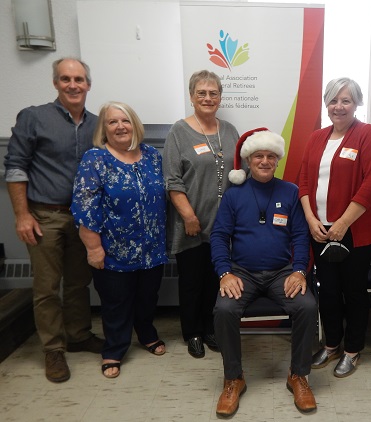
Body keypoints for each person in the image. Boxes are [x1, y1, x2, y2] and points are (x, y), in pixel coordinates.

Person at [4, 57, 104, 383]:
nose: (72, 85)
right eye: (65, 79)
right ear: (56, 83)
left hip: (83, 217)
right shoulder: (34, 118)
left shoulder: (97, 124)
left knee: (78, 281)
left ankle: (78, 335)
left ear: (88, 84)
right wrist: (21, 215)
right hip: (44, 215)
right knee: (47, 287)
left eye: (78, 79)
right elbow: (16, 168)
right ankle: (53, 349)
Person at [211, 128, 317, 417]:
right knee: (224, 309)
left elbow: (300, 236)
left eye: (271, 156)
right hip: (241, 272)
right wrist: (224, 273)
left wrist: (299, 271)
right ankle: (234, 378)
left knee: (307, 306)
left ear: (277, 160)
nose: (265, 161)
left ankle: (298, 375)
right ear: (248, 159)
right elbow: (219, 236)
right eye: (259, 155)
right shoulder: (234, 196)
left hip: (281, 272)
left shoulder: (290, 192)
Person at [71, 101, 168, 379]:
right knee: (116, 302)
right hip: (113, 250)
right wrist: (93, 248)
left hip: (152, 248)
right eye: (112, 122)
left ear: (134, 124)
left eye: (125, 121)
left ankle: (147, 333)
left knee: (148, 296)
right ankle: (114, 348)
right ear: (104, 128)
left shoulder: (152, 155)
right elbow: (84, 207)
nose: (120, 126)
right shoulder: (95, 159)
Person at [298, 77, 371, 378]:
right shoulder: (316, 138)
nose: (339, 106)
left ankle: (352, 350)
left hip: (355, 232)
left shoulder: (368, 134)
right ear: (326, 104)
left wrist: (343, 223)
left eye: (346, 100)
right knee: (329, 291)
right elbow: (304, 183)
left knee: (354, 291)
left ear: (357, 103)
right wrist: (311, 220)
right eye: (333, 100)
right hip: (320, 230)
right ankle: (332, 343)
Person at [163, 70, 239, 358]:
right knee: (192, 281)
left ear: (220, 97)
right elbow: (172, 180)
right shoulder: (178, 132)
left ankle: (209, 328)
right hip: (192, 223)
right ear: (192, 97)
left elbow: (238, 173)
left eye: (213, 93)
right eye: (201, 93)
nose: (208, 98)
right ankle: (192, 332)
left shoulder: (229, 131)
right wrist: (189, 217)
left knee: (216, 280)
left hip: (224, 225)